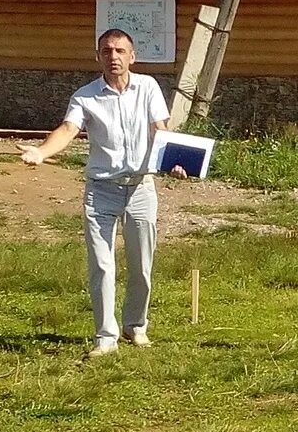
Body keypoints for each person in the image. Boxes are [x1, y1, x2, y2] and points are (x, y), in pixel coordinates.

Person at [19, 29, 182, 359]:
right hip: (101, 191)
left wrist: (176, 159)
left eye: (120, 51)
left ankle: (135, 325)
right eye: (107, 51)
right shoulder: (85, 96)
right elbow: (68, 129)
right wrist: (41, 152)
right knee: (102, 265)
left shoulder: (148, 88)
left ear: (132, 57)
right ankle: (105, 336)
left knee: (141, 264)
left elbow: (160, 130)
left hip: (140, 188)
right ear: (98, 56)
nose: (114, 57)